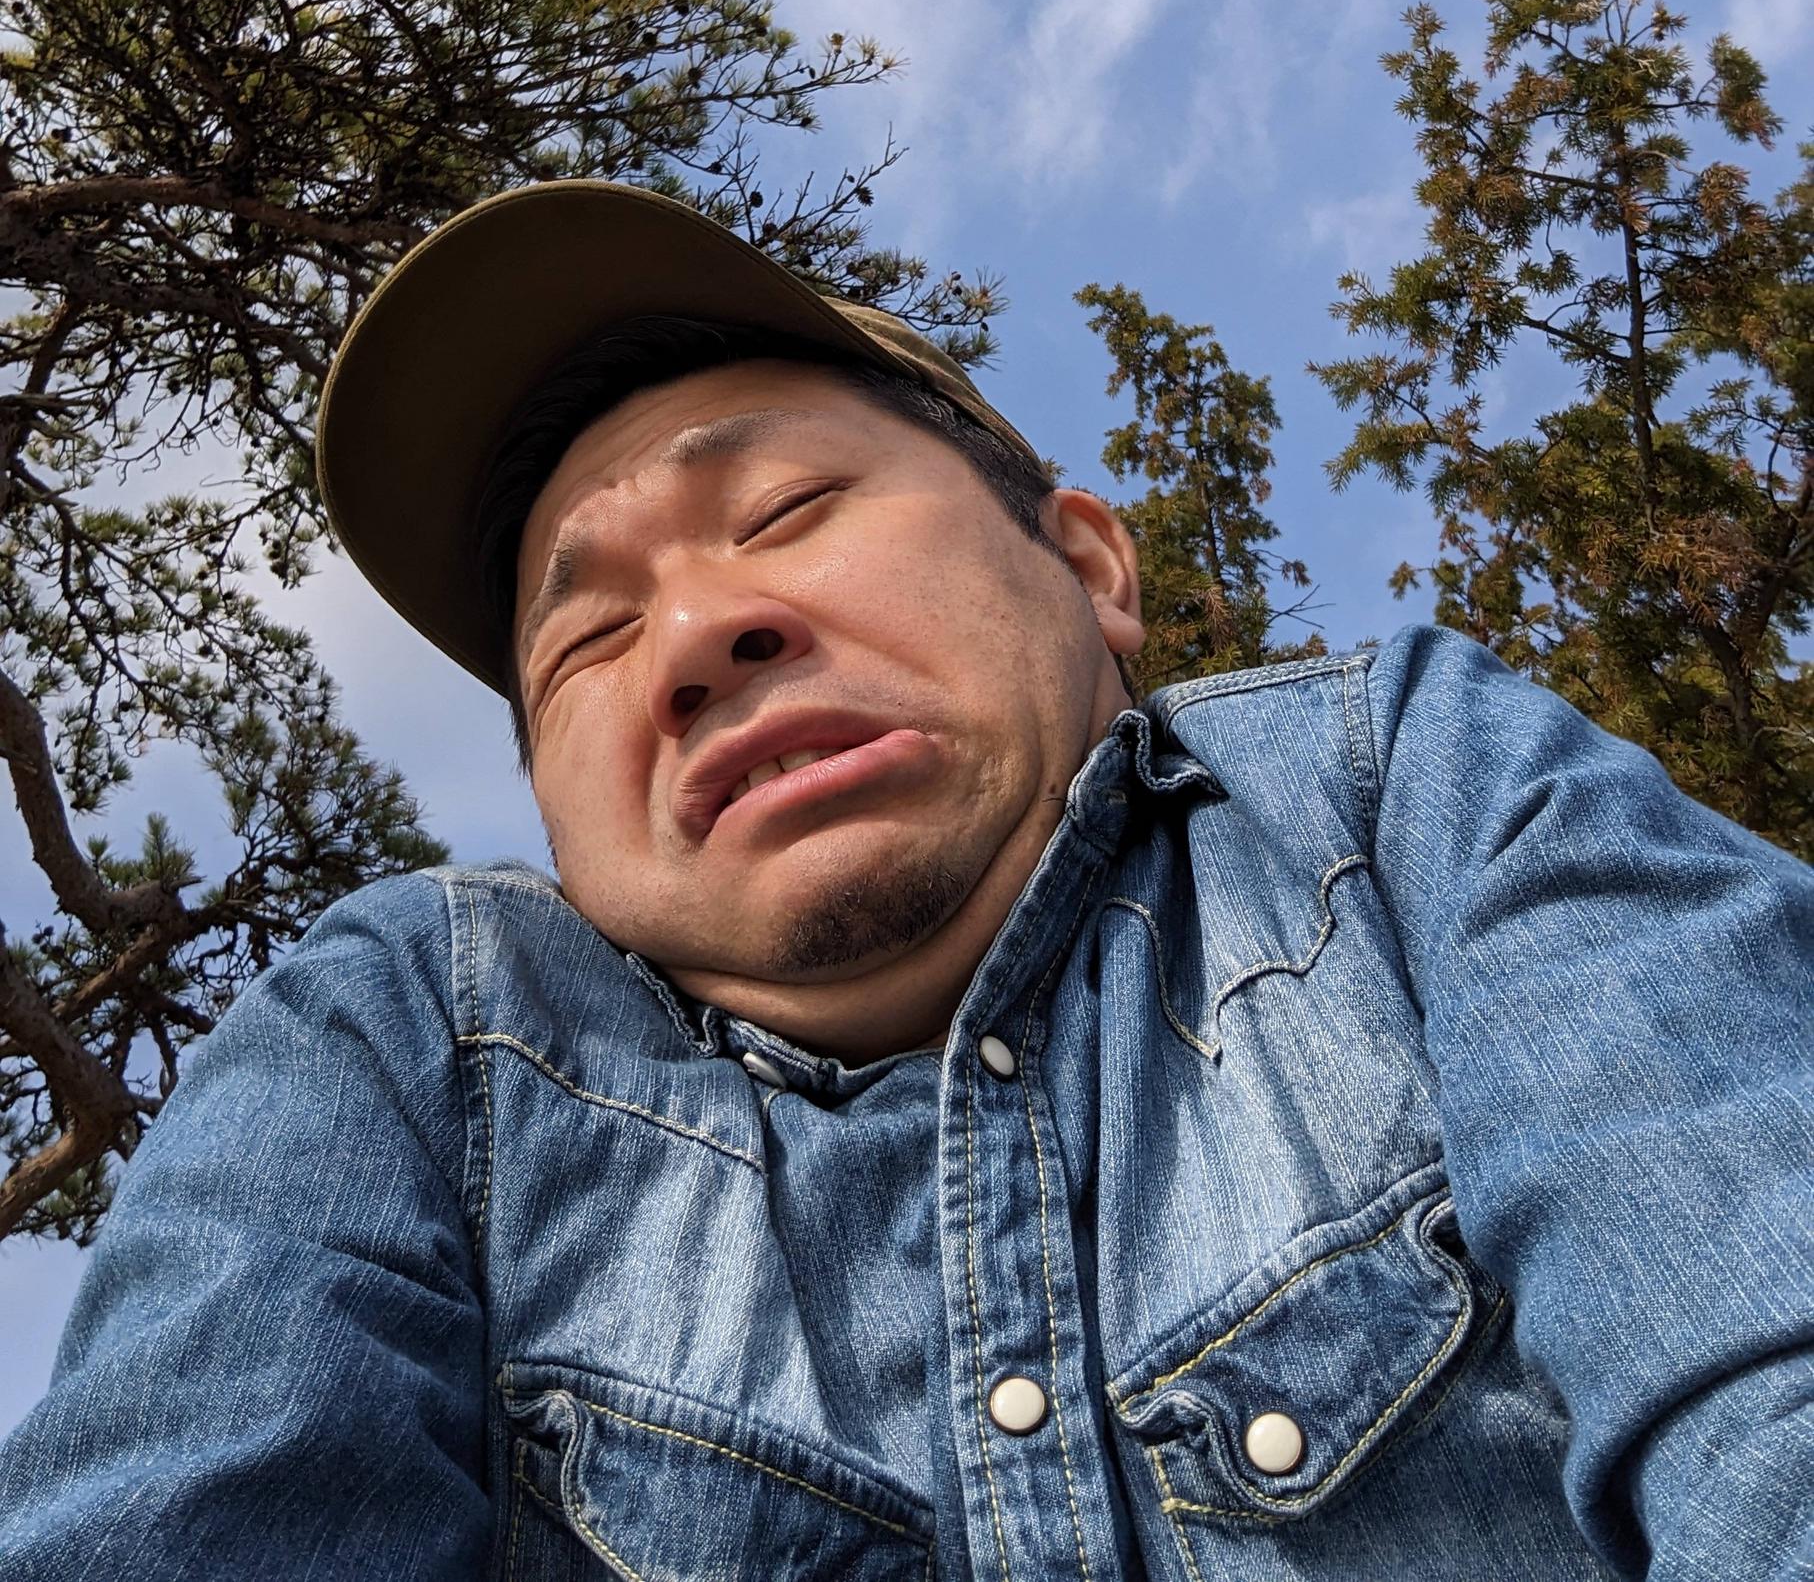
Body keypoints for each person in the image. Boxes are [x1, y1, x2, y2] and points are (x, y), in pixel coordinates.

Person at [1, 179, 1809, 1581]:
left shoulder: (1394, 783)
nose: (693, 639)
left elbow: (1765, 1368)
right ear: (556, 813)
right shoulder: (415, 1033)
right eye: (587, 638)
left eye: (784, 510)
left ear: (1087, 565)